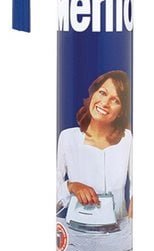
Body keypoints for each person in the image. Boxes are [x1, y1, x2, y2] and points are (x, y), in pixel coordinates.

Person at [57, 70, 133, 220]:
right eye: (102, 93)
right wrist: (71, 186)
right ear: (93, 94)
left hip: (118, 229)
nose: (104, 103)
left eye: (115, 100)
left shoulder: (127, 139)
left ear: (121, 111)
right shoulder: (68, 138)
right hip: (77, 227)